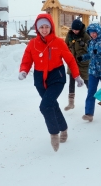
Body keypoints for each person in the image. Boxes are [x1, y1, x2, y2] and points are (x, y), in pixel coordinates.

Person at [18, 13, 84, 152]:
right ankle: (64, 128)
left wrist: (77, 76)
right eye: (41, 27)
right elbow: (27, 59)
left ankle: (54, 134)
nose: (44, 29)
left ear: (51, 27)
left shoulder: (58, 42)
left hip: (56, 77)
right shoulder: (33, 43)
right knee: (52, 104)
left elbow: (70, 60)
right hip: (40, 79)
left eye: (46, 26)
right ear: (37, 28)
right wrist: (24, 70)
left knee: (45, 106)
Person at [77, 23, 101, 122]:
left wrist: (99, 52)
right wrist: (83, 57)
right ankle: (89, 114)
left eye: (94, 32)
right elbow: (90, 54)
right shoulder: (91, 42)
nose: (93, 35)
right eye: (91, 33)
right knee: (91, 92)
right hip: (93, 72)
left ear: (99, 32)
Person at [64, 19, 91, 111]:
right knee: (71, 81)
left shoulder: (85, 35)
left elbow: (91, 48)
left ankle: (93, 97)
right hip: (72, 62)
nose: (75, 31)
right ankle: (71, 103)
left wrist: (84, 45)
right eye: (73, 29)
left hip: (83, 63)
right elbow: (65, 45)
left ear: (80, 29)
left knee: (88, 81)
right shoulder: (70, 34)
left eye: (76, 30)